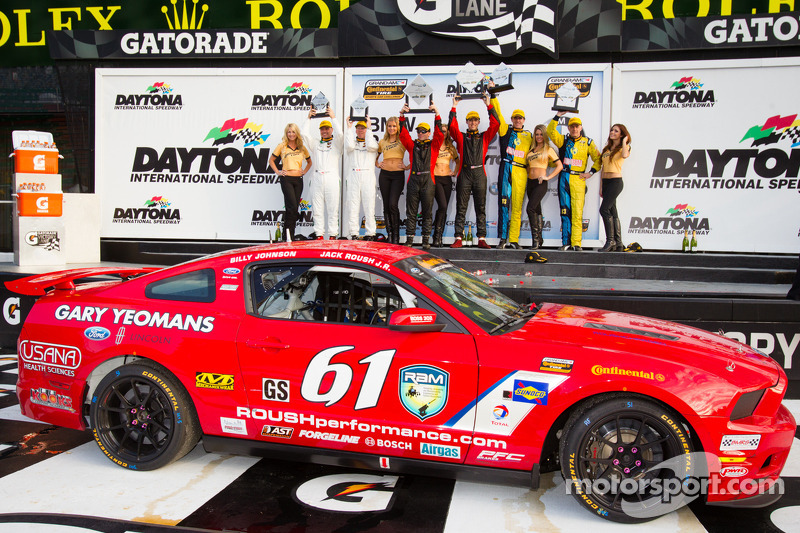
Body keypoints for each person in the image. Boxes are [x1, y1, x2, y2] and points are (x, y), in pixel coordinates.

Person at [449, 92, 499, 249]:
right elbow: (451, 127)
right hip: (464, 173)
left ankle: (482, 238)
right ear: (467, 122)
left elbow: (496, 124)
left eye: (475, 120)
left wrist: (488, 104)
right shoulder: (461, 137)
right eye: (470, 120)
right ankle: (458, 237)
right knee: (461, 206)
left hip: (479, 173)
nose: (472, 123)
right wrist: (454, 106)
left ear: (478, 122)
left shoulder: (484, 137)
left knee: (480, 206)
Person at [547, 112, 602, 251]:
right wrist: (557, 116)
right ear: (568, 128)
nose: (574, 129)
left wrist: (591, 172)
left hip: (578, 179)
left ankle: (576, 243)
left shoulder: (588, 142)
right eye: (571, 127)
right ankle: (565, 242)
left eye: (576, 126)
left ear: (581, 127)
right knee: (565, 211)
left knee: (577, 212)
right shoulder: (563, 140)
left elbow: (598, 159)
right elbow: (550, 131)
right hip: (564, 177)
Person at [398, 102, 444, 250]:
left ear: (429, 132)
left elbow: (440, 134)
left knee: (427, 211)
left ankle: (426, 239)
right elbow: (403, 134)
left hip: (428, 181)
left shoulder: (434, 145)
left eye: (424, 131)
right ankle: (409, 238)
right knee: (411, 211)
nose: (421, 133)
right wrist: (402, 116)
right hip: (413, 179)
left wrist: (436, 114)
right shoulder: (412, 145)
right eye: (418, 131)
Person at [493, 89, 532, 249]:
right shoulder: (505, 130)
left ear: (524, 120)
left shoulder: (529, 135)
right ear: (512, 119)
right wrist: (493, 96)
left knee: (517, 206)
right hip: (506, 168)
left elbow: (538, 152)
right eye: (515, 118)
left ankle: (514, 239)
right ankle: (503, 238)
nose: (517, 120)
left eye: (520, 118)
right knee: (504, 204)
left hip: (521, 171)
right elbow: (498, 114)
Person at [301, 106, 343, 239]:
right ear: (319, 131)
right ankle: (319, 235)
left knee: (333, 209)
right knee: (317, 209)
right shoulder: (315, 143)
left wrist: (333, 117)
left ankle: (332, 235)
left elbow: (341, 134)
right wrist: (309, 118)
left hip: (331, 177)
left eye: (327, 129)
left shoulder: (337, 143)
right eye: (322, 129)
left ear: (331, 130)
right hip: (317, 177)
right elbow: (303, 134)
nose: (324, 131)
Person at [269, 123, 312, 241]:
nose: (291, 134)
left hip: (298, 180)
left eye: (293, 132)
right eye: (289, 132)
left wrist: (304, 171)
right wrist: (278, 172)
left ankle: (290, 236)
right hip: (286, 179)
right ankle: (286, 236)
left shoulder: (302, 147)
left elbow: (309, 162)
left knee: (294, 208)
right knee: (291, 207)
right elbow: (271, 160)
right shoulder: (282, 146)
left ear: (297, 133)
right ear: (286, 133)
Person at [525, 125, 563, 249]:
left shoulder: (548, 149)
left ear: (544, 136)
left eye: (541, 134)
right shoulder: (531, 150)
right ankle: (539, 240)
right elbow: (529, 166)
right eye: (537, 134)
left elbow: (559, 166)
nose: (539, 136)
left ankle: (535, 240)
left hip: (540, 183)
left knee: (530, 208)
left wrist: (548, 177)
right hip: (530, 183)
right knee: (536, 210)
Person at [598, 124, 632, 252]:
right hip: (606, 182)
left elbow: (624, 155)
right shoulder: (606, 149)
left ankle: (610, 240)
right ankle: (618, 242)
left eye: (616, 131)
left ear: (622, 134)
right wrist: (601, 187)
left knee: (604, 209)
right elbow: (603, 168)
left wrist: (624, 141)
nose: (612, 132)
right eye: (612, 130)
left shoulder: (624, 147)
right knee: (613, 211)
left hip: (616, 182)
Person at [345, 118, 380, 240]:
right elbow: (348, 146)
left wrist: (369, 128)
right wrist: (349, 128)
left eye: (363, 128)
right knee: (353, 206)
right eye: (358, 128)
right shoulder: (352, 142)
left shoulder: (373, 142)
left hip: (368, 175)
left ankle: (370, 233)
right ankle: (353, 233)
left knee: (369, 205)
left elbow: (371, 146)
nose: (360, 130)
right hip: (354, 174)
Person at [376, 116, 407, 244]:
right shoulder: (382, 142)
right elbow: (375, 155)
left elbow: (415, 153)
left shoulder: (402, 140)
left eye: (394, 126)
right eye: (389, 126)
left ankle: (396, 236)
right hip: (384, 175)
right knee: (386, 206)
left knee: (393, 204)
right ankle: (389, 235)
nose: (392, 128)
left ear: (398, 127)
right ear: (386, 127)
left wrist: (407, 166)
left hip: (398, 176)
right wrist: (377, 164)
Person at [433, 123, 459, 247]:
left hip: (447, 180)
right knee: (442, 206)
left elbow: (458, 161)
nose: (443, 133)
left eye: (445, 131)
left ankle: (439, 237)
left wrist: (454, 172)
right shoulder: (434, 145)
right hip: (436, 178)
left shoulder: (450, 147)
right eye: (441, 131)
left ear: (448, 133)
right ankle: (436, 236)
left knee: (444, 208)